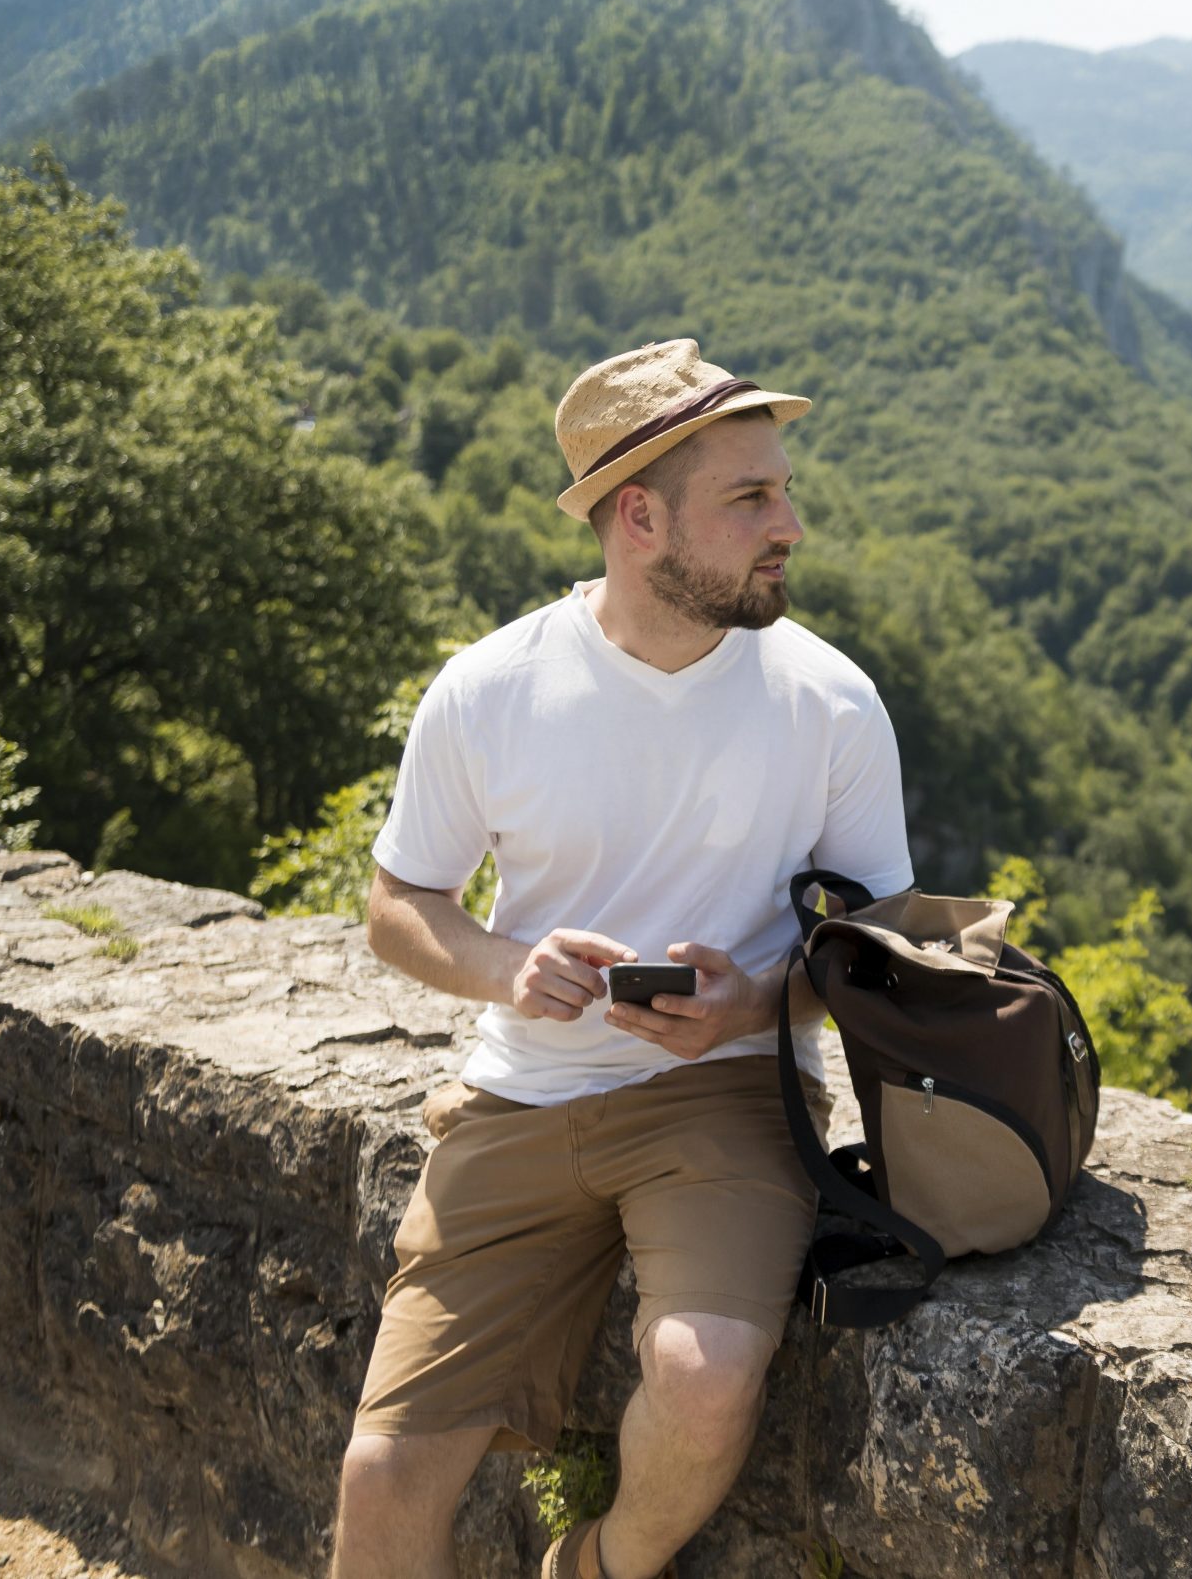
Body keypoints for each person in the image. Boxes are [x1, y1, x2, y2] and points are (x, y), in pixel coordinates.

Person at [327, 340, 914, 1579]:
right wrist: (504, 969)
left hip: (725, 1099)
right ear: (639, 515)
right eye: (751, 499)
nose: (790, 524)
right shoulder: (490, 689)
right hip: (520, 1092)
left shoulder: (830, 700)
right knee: (381, 1483)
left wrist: (759, 997)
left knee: (703, 1384)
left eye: (783, 490)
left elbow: (885, 947)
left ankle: (594, 1567)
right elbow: (398, 901)